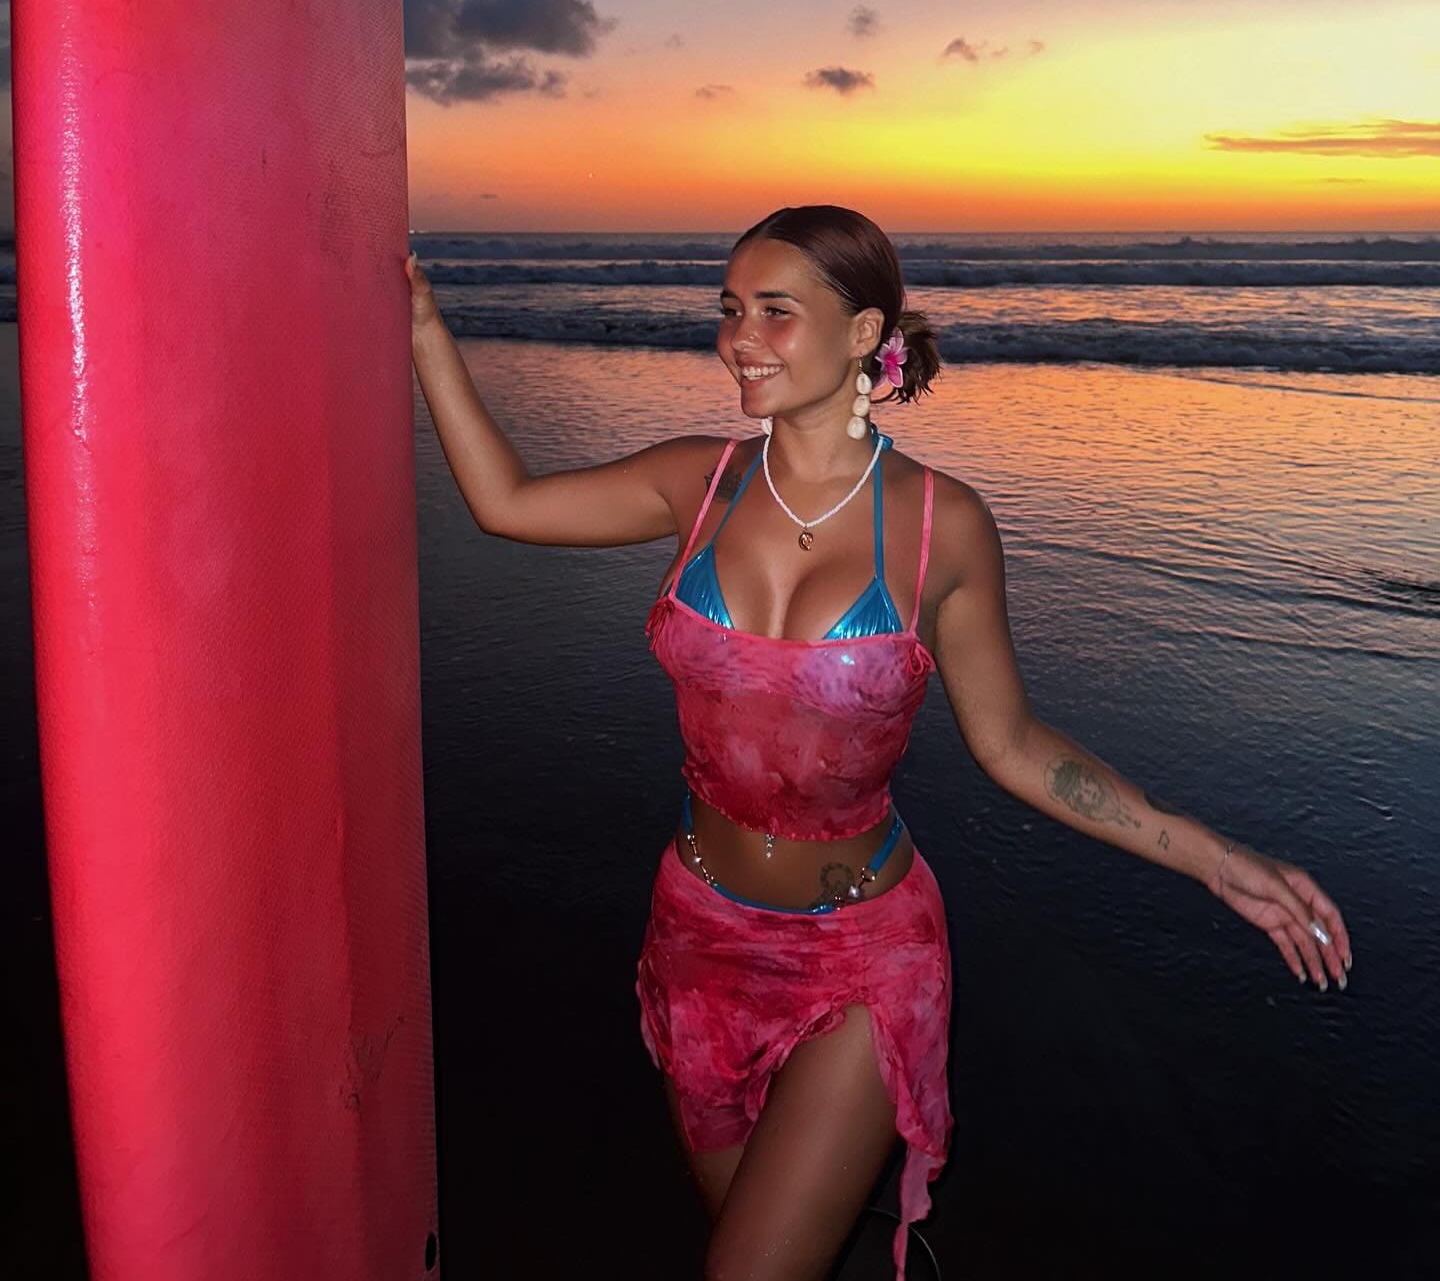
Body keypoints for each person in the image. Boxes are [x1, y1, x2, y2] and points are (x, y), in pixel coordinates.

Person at [406, 204, 1353, 1281]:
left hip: (860, 954)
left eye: (775, 310)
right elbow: (507, 502)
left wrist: (1217, 860)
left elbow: (1013, 743)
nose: (739, 338)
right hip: (695, 933)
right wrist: (425, 324)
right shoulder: (697, 483)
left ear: (864, 333)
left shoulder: (942, 526)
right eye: (729, 308)